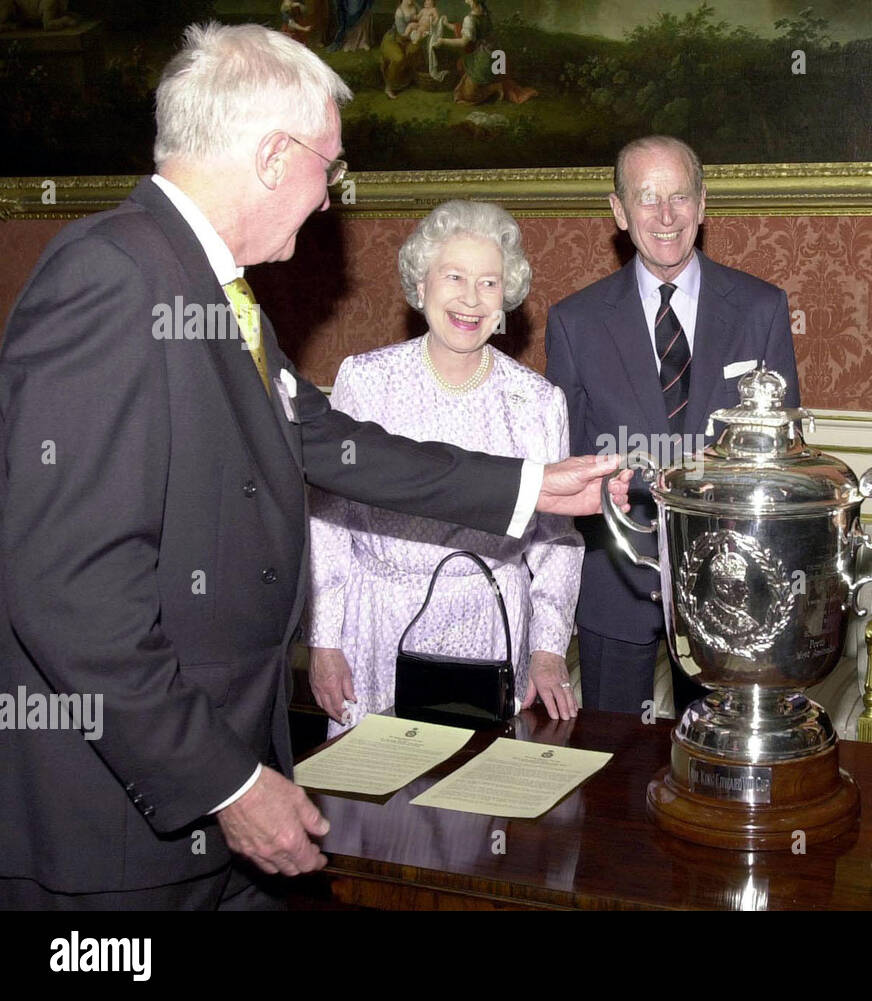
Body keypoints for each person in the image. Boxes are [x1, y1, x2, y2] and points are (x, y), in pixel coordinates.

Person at [0, 22, 625, 910]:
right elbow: (70, 593)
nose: (332, 198)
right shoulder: (111, 278)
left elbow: (329, 440)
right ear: (269, 156)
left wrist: (526, 485)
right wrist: (226, 783)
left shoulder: (213, 287)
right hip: (122, 834)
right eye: (327, 166)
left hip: (225, 794)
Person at [545, 135, 801, 715]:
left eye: (680, 197)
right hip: (616, 579)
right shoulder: (575, 322)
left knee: (718, 767)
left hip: (733, 585)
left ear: (703, 203)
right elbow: (564, 469)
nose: (666, 216)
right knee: (611, 764)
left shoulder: (761, 308)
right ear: (618, 211)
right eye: (647, 198)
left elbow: (784, 457)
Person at [306, 200, 583, 732]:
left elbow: (557, 538)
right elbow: (326, 519)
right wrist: (324, 640)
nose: (470, 299)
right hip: (378, 628)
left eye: (488, 282)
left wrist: (548, 651)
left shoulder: (538, 401)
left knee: (476, 803)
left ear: (507, 297)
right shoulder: (366, 382)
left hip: (492, 630)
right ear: (421, 284)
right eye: (453, 276)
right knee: (374, 803)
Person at [433, 0, 536, 105]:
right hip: (496, 53)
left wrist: (443, 41)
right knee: (466, 79)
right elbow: (470, 31)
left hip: (485, 56)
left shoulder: (470, 19)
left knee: (468, 95)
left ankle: (495, 86)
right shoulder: (485, 12)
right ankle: (489, 82)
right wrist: (448, 24)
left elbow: (464, 42)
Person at [379, 0, 422, 99]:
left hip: (410, 38)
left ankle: (407, 80)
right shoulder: (399, 12)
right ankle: (389, 87)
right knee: (398, 58)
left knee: (414, 50)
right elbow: (403, 34)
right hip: (395, 39)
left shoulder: (416, 6)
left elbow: (423, 18)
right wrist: (415, 28)